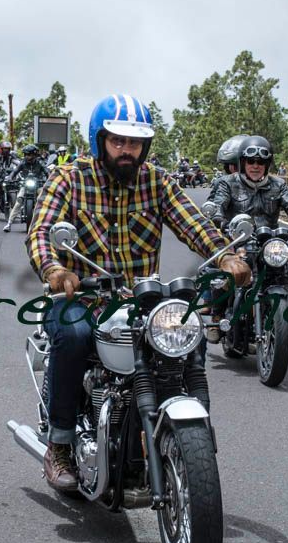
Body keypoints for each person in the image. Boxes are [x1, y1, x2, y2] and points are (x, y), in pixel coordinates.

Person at [26, 94, 252, 492]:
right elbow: (43, 231)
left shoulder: (156, 181)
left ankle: (190, 435)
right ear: (101, 141)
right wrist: (55, 268)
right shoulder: (69, 179)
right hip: (80, 297)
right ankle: (60, 443)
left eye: (134, 143)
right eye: (118, 141)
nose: (126, 151)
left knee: (187, 335)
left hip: (141, 300)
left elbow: (193, 223)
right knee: (73, 335)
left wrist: (226, 257)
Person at [205, 135, 288, 316]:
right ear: (242, 162)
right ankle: (218, 313)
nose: (256, 166)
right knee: (228, 271)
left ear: (268, 164)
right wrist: (221, 221)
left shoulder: (278, 185)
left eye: (261, 161)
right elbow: (217, 205)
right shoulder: (227, 183)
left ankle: (285, 319)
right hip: (238, 240)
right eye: (251, 161)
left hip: (271, 242)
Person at [2, 144, 49, 230]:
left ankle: (46, 223)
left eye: (29, 154)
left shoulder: (40, 163)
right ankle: (9, 224)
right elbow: (15, 171)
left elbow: (47, 171)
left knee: (44, 201)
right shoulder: (22, 163)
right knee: (19, 202)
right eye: (26, 154)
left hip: (38, 185)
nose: (27, 156)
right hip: (25, 185)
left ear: (35, 155)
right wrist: (10, 177)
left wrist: (50, 178)